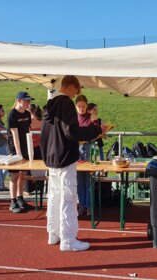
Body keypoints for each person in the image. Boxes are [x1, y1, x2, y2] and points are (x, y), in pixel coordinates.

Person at [40, 75, 103, 251]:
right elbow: (72, 132)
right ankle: (68, 239)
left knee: (54, 196)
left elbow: (45, 135)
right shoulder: (66, 103)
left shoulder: (49, 106)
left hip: (51, 159)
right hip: (65, 157)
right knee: (68, 198)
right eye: (77, 90)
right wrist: (96, 129)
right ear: (71, 87)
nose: (76, 95)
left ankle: (53, 234)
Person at [7, 91, 35, 213]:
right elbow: (15, 135)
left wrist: (29, 149)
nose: (28, 103)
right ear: (19, 100)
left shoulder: (28, 114)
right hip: (14, 148)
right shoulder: (12, 114)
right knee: (14, 175)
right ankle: (13, 201)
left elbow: (28, 132)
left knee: (22, 174)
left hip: (25, 147)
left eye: (29, 101)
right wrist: (19, 154)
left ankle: (20, 198)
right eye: (26, 100)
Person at [75, 95, 101, 217]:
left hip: (88, 148)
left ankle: (89, 206)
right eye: (79, 106)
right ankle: (82, 205)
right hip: (76, 149)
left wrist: (95, 121)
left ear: (86, 106)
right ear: (76, 106)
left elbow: (97, 131)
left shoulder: (91, 117)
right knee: (80, 180)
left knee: (89, 179)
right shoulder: (74, 118)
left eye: (83, 106)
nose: (81, 108)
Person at [25, 103, 44, 194]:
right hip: (40, 147)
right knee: (40, 167)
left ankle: (29, 188)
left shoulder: (29, 121)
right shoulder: (42, 120)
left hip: (31, 147)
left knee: (29, 168)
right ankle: (40, 187)